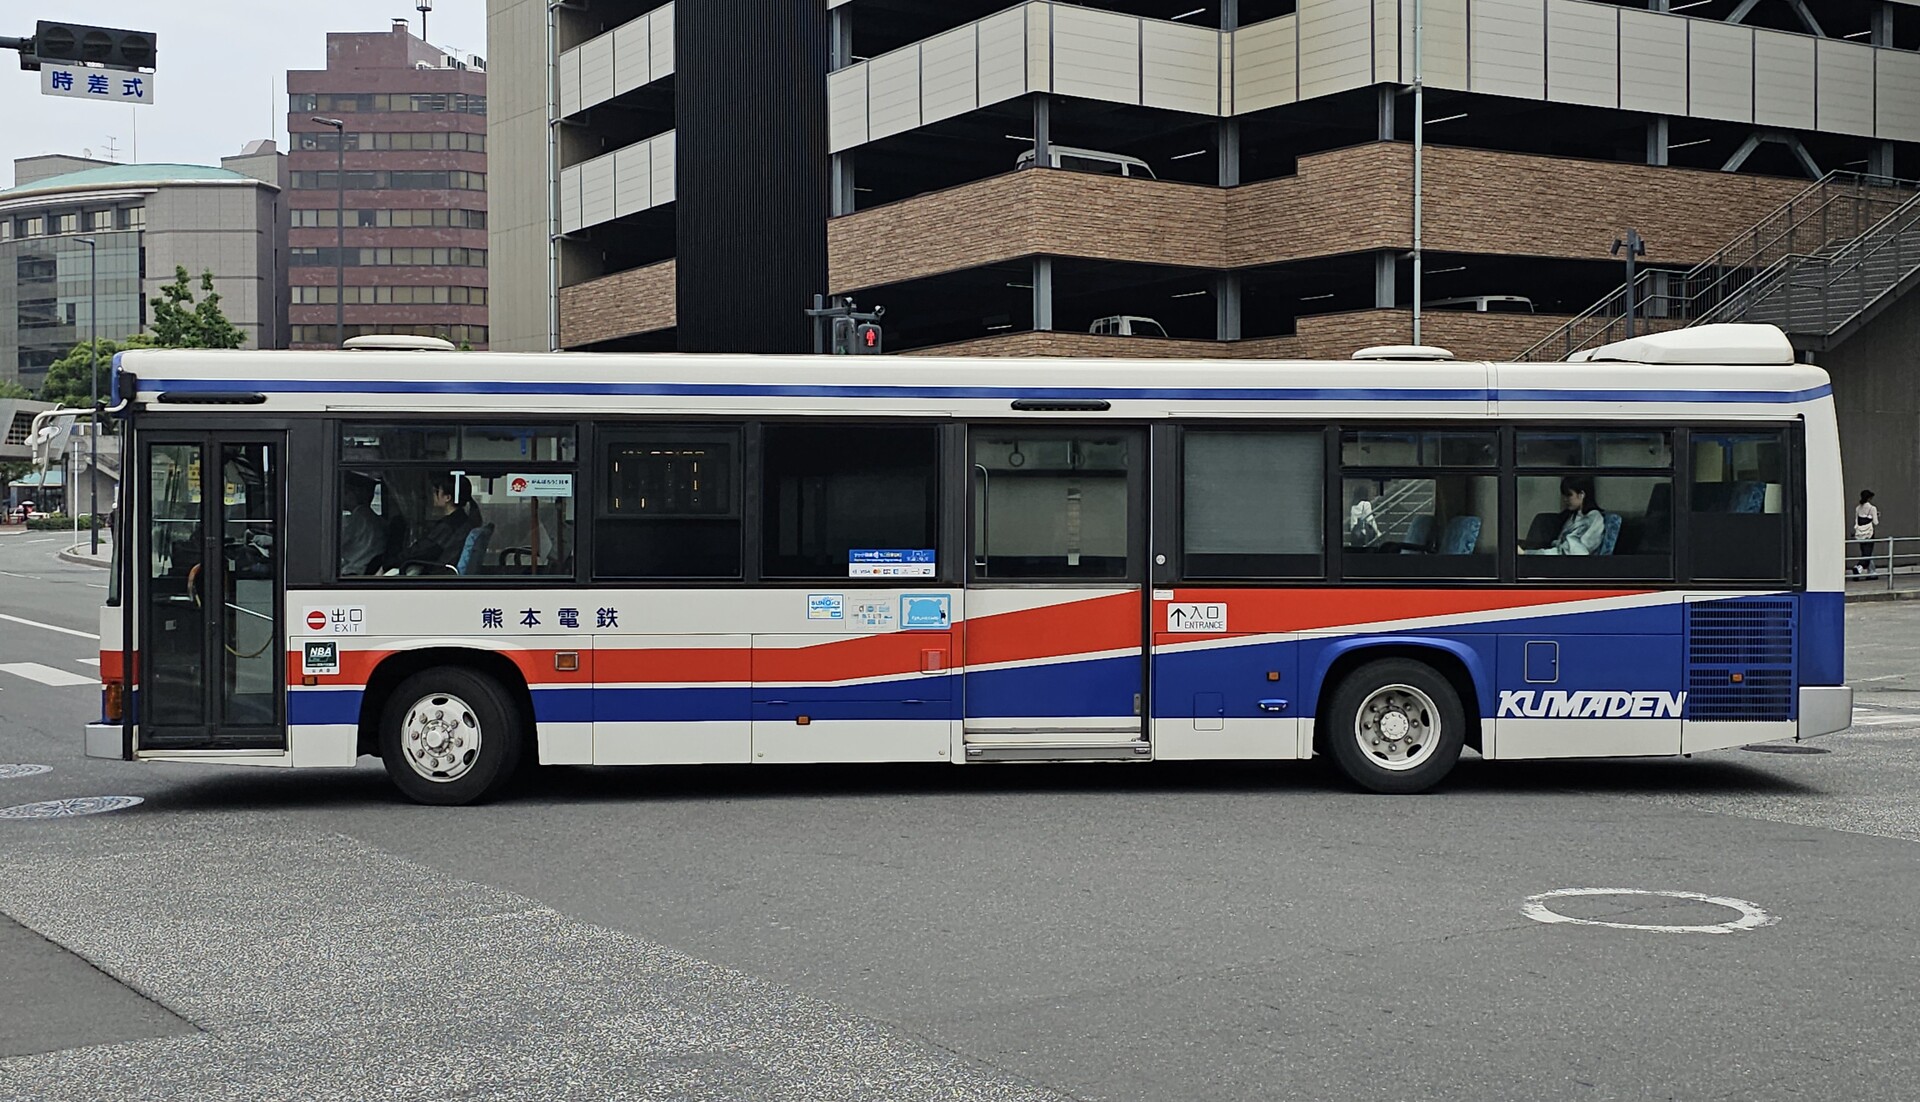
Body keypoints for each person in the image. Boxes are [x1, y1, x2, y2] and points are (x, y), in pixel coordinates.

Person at [393, 471, 481, 571]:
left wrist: (393, 561)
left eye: (436, 491)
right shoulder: (461, 520)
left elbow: (423, 550)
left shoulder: (449, 526)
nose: (433, 495)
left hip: (439, 574)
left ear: (447, 497)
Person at [1522, 476, 1607, 556]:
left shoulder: (1593, 519)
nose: (1565, 499)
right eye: (1564, 495)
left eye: (1569, 495)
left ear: (1581, 494)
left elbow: (1572, 551)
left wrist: (1528, 553)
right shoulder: (1572, 516)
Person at [337, 474, 385, 576]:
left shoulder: (352, 521)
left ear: (354, 494)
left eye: (345, 492)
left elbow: (329, 547)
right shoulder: (378, 520)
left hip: (355, 572)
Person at [1852, 489, 1880, 578]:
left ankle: (1871, 571)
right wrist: (1875, 516)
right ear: (1869, 498)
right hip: (1869, 533)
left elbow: (1857, 521)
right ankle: (1859, 567)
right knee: (1868, 553)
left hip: (1860, 533)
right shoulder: (1872, 508)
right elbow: (1876, 522)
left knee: (1865, 552)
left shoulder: (1858, 508)